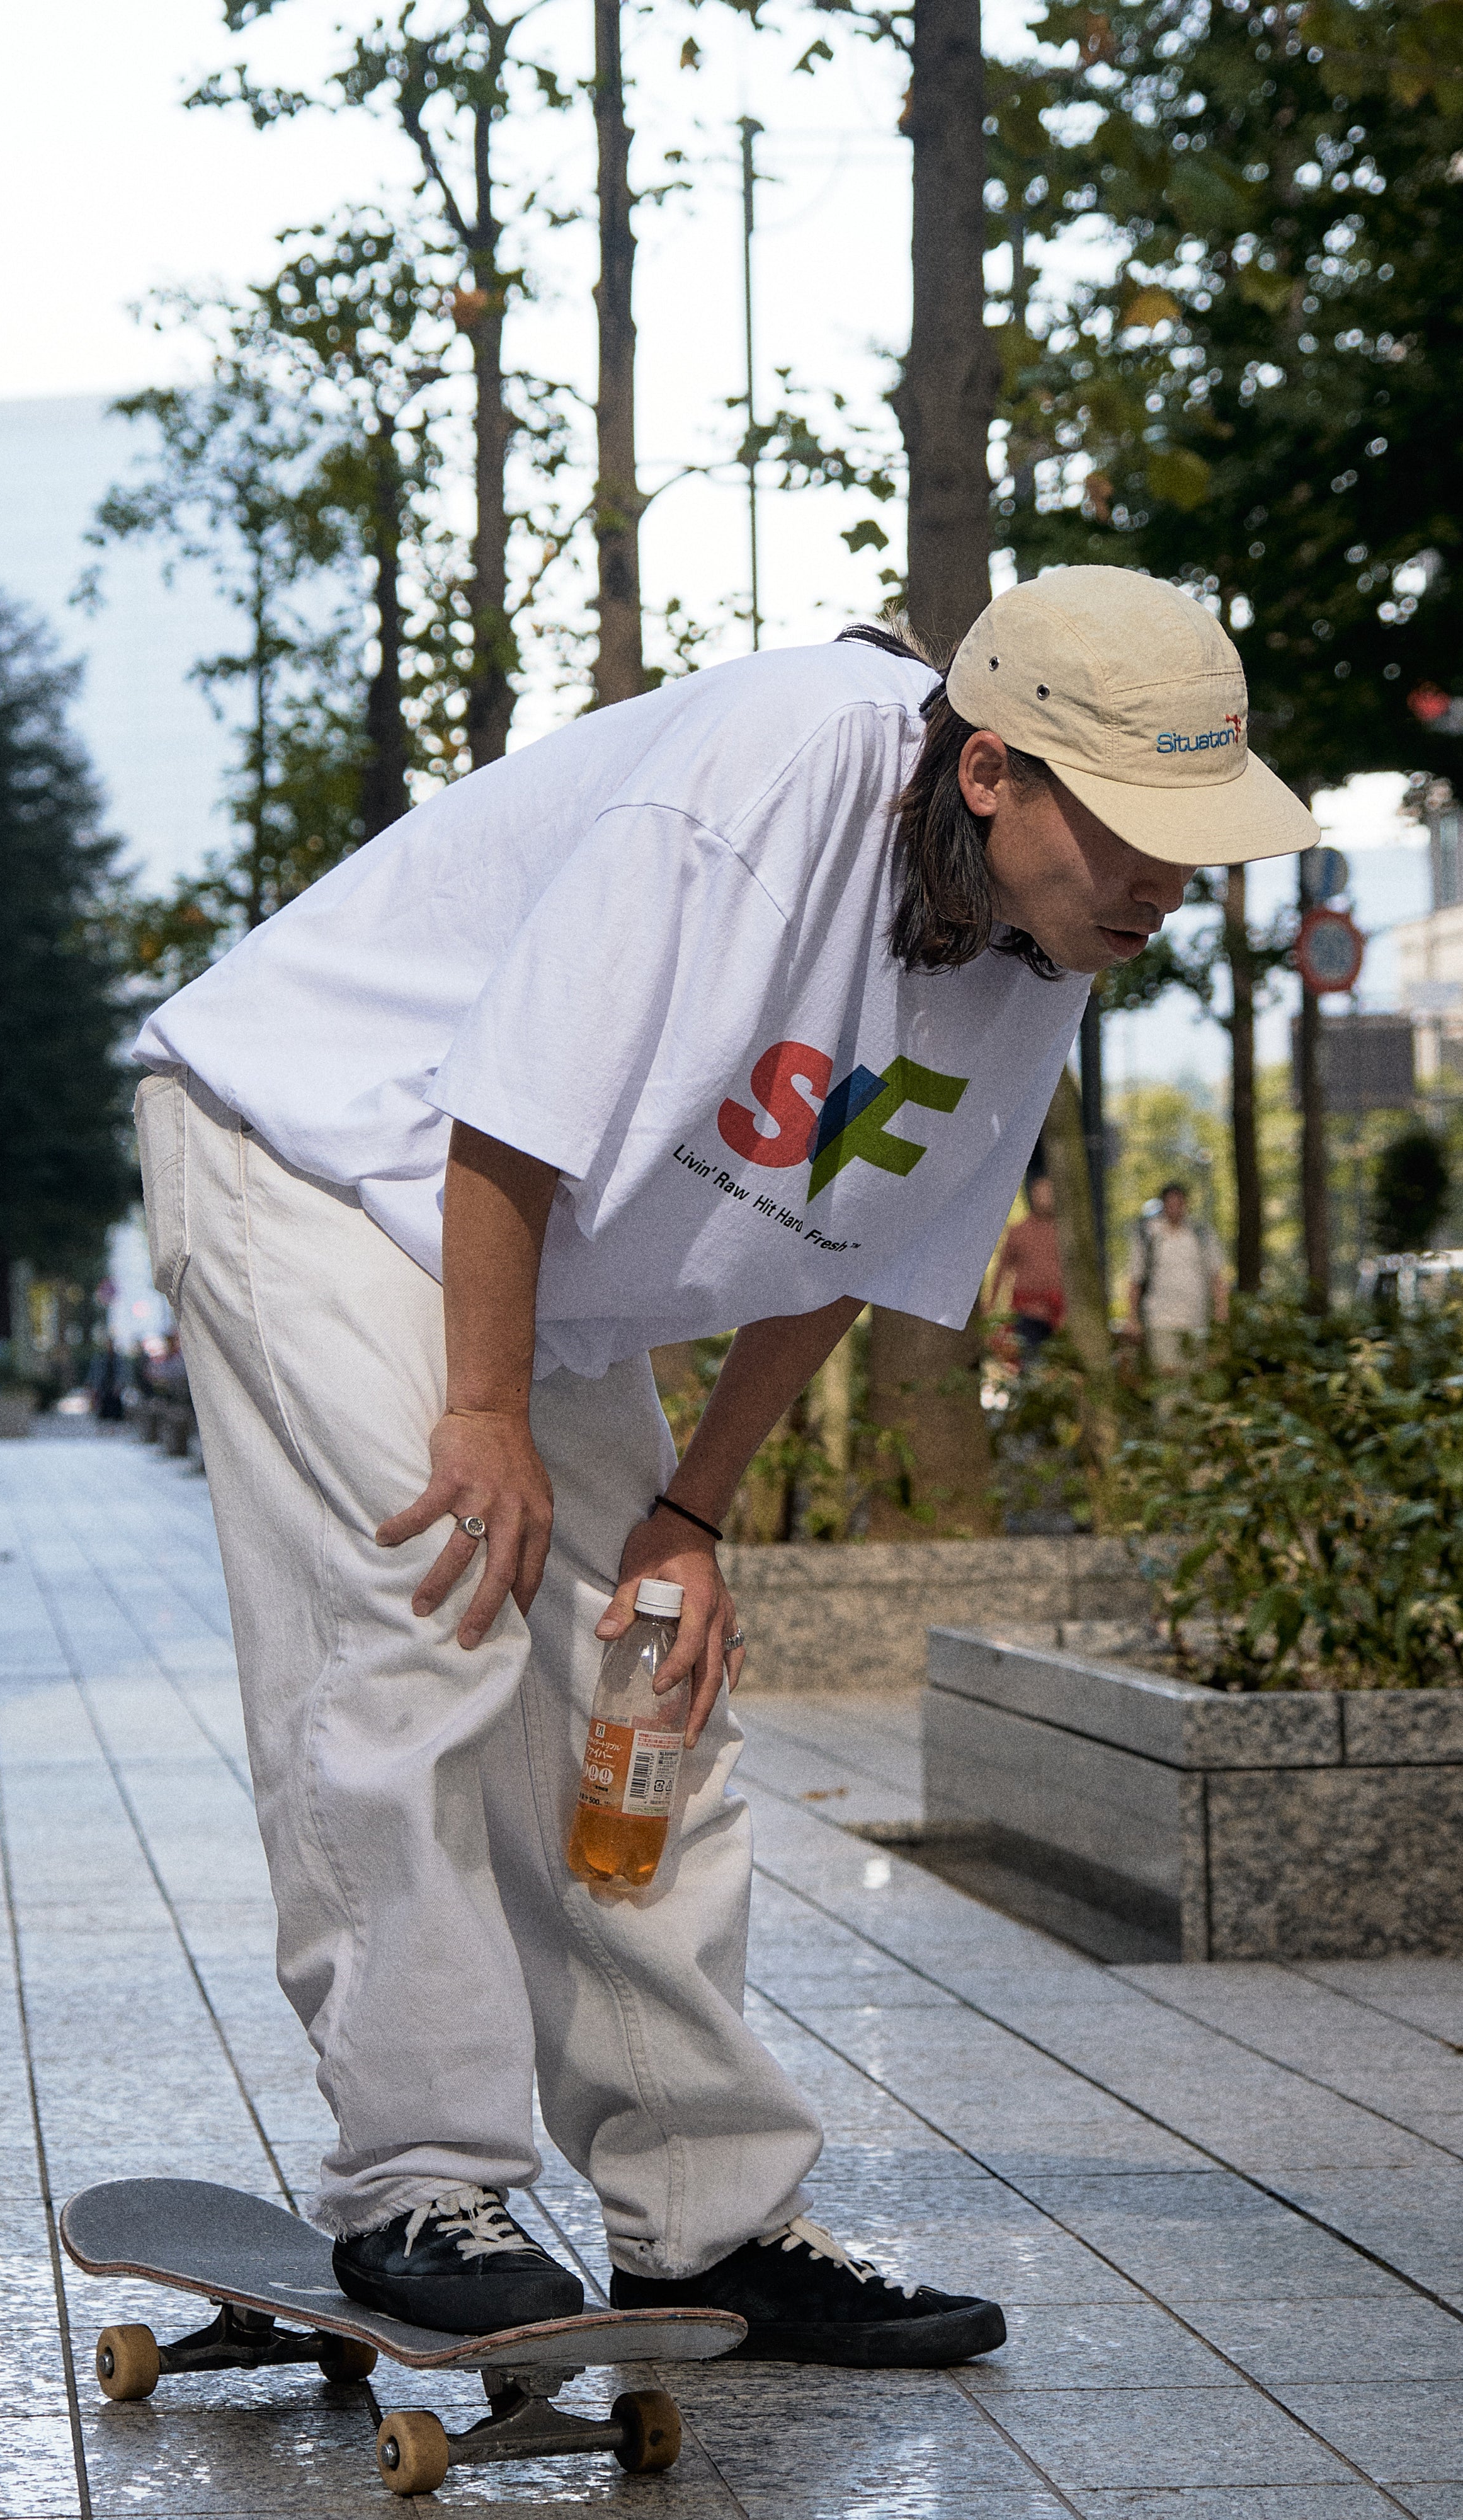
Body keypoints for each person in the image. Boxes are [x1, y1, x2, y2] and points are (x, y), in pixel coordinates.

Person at [132, 566, 1313, 2364]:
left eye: (1197, 837)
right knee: (423, 1624)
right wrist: (482, 1415)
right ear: (991, 772)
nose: (1170, 882)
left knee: (641, 1696)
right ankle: (419, 2181)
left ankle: (707, 2219)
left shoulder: (1048, 943)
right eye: (1139, 831)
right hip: (330, 1151)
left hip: (520, 1244)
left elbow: (854, 1235)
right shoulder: (763, 777)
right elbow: (509, 1103)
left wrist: (689, 1518)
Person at [1127, 1181, 1230, 1376]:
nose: (1174, 1207)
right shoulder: (1149, 1234)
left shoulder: (1201, 1234)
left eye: (1179, 1202)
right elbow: (1136, 1278)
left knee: (1194, 1377)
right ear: (1163, 1205)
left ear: (1186, 1204)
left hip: (1196, 1320)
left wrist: (1221, 1309)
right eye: (1170, 1203)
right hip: (1160, 1320)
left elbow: (1216, 1276)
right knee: (1167, 1378)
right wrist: (1132, 1318)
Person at [991, 1171, 1066, 1361]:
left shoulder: (1065, 1233)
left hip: (1061, 1312)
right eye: (1041, 1193)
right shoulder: (1018, 1232)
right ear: (1033, 1196)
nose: (1045, 1198)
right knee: (1030, 1362)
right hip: (1027, 1311)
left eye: (1049, 1193)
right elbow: (1002, 1270)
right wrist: (991, 1308)